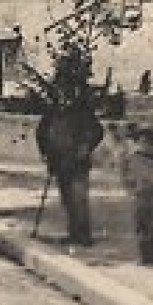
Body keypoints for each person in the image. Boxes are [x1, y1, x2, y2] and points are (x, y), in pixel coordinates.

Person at [35, 97, 105, 247]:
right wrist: (45, 152)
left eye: (65, 95)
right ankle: (73, 233)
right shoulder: (50, 113)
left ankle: (84, 235)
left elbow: (97, 131)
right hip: (59, 161)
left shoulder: (82, 111)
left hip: (77, 162)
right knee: (67, 199)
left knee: (78, 198)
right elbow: (41, 133)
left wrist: (86, 147)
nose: (62, 99)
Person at [122, 123, 153, 265]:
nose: (145, 142)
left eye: (147, 139)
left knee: (145, 225)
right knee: (147, 225)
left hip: (145, 194)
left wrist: (130, 188)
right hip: (147, 194)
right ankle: (148, 256)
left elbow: (126, 176)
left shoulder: (137, 157)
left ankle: (147, 257)